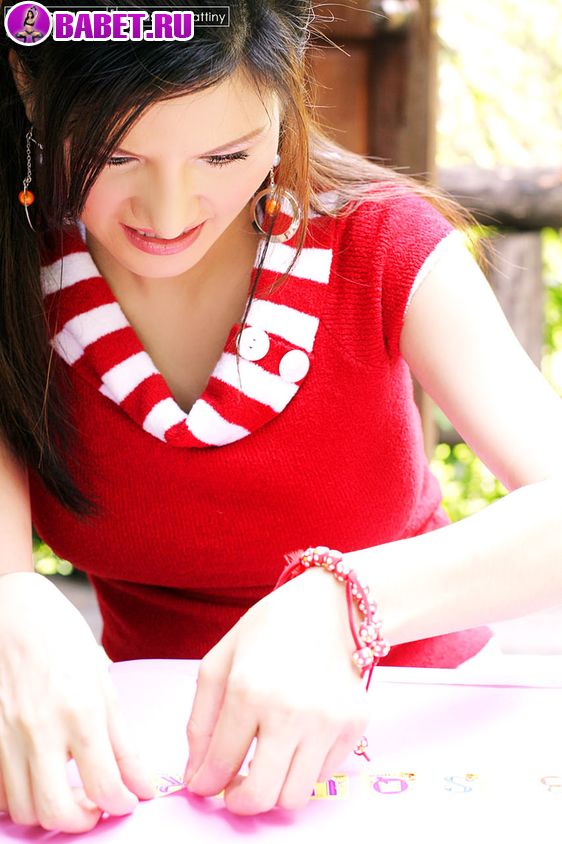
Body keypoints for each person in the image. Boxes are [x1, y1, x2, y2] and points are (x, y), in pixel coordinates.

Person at [0, 0, 561, 834]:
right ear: (28, 85)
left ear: (290, 86)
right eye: (115, 156)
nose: (168, 212)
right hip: (149, 771)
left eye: (225, 155)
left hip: (421, 727)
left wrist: (348, 601)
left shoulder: (380, 242)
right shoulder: (20, 269)